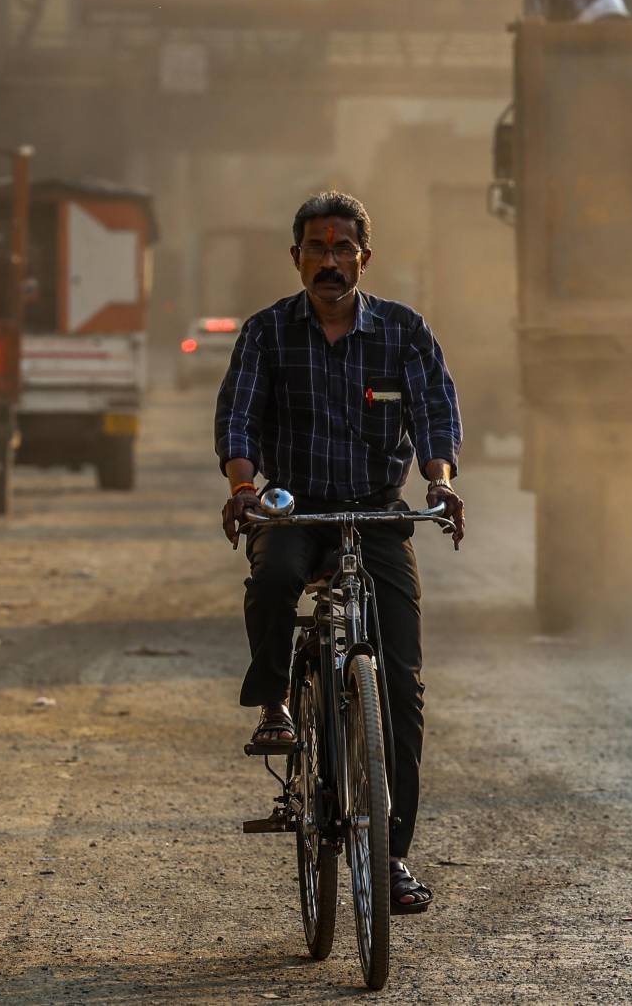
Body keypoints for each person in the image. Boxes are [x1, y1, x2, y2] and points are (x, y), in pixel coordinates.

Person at [215, 190, 465, 915]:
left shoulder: (404, 333)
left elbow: (436, 416)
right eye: (317, 250)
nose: (331, 262)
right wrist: (242, 486)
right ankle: (275, 701)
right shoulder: (266, 334)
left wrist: (441, 482)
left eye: (343, 248)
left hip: (378, 516)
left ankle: (391, 855)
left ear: (364, 257)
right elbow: (239, 420)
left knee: (403, 689)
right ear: (296, 258)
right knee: (273, 581)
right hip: (295, 507)